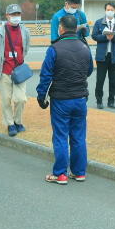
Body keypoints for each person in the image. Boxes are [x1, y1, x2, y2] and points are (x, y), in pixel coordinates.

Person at [36, 15, 94, 184]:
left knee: (61, 136)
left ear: (61, 28)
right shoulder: (84, 48)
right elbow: (89, 69)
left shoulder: (54, 48)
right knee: (78, 136)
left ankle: (60, 173)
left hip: (61, 98)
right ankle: (79, 171)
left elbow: (46, 76)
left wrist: (41, 97)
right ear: (75, 28)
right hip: (80, 97)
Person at [0, 3, 30, 137]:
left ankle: (18, 121)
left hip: (19, 71)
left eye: (18, 14)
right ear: (7, 16)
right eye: (13, 14)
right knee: (6, 99)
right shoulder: (0, 31)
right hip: (5, 71)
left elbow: (26, 48)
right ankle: (10, 124)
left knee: (20, 99)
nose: (16, 17)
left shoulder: (25, 31)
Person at [91, 2, 115, 109]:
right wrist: (106, 37)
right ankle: (99, 101)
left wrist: (113, 37)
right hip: (102, 56)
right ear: (105, 10)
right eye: (107, 9)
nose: (109, 11)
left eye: (111, 9)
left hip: (114, 56)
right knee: (100, 79)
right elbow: (94, 36)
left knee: (113, 80)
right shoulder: (99, 22)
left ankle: (111, 101)